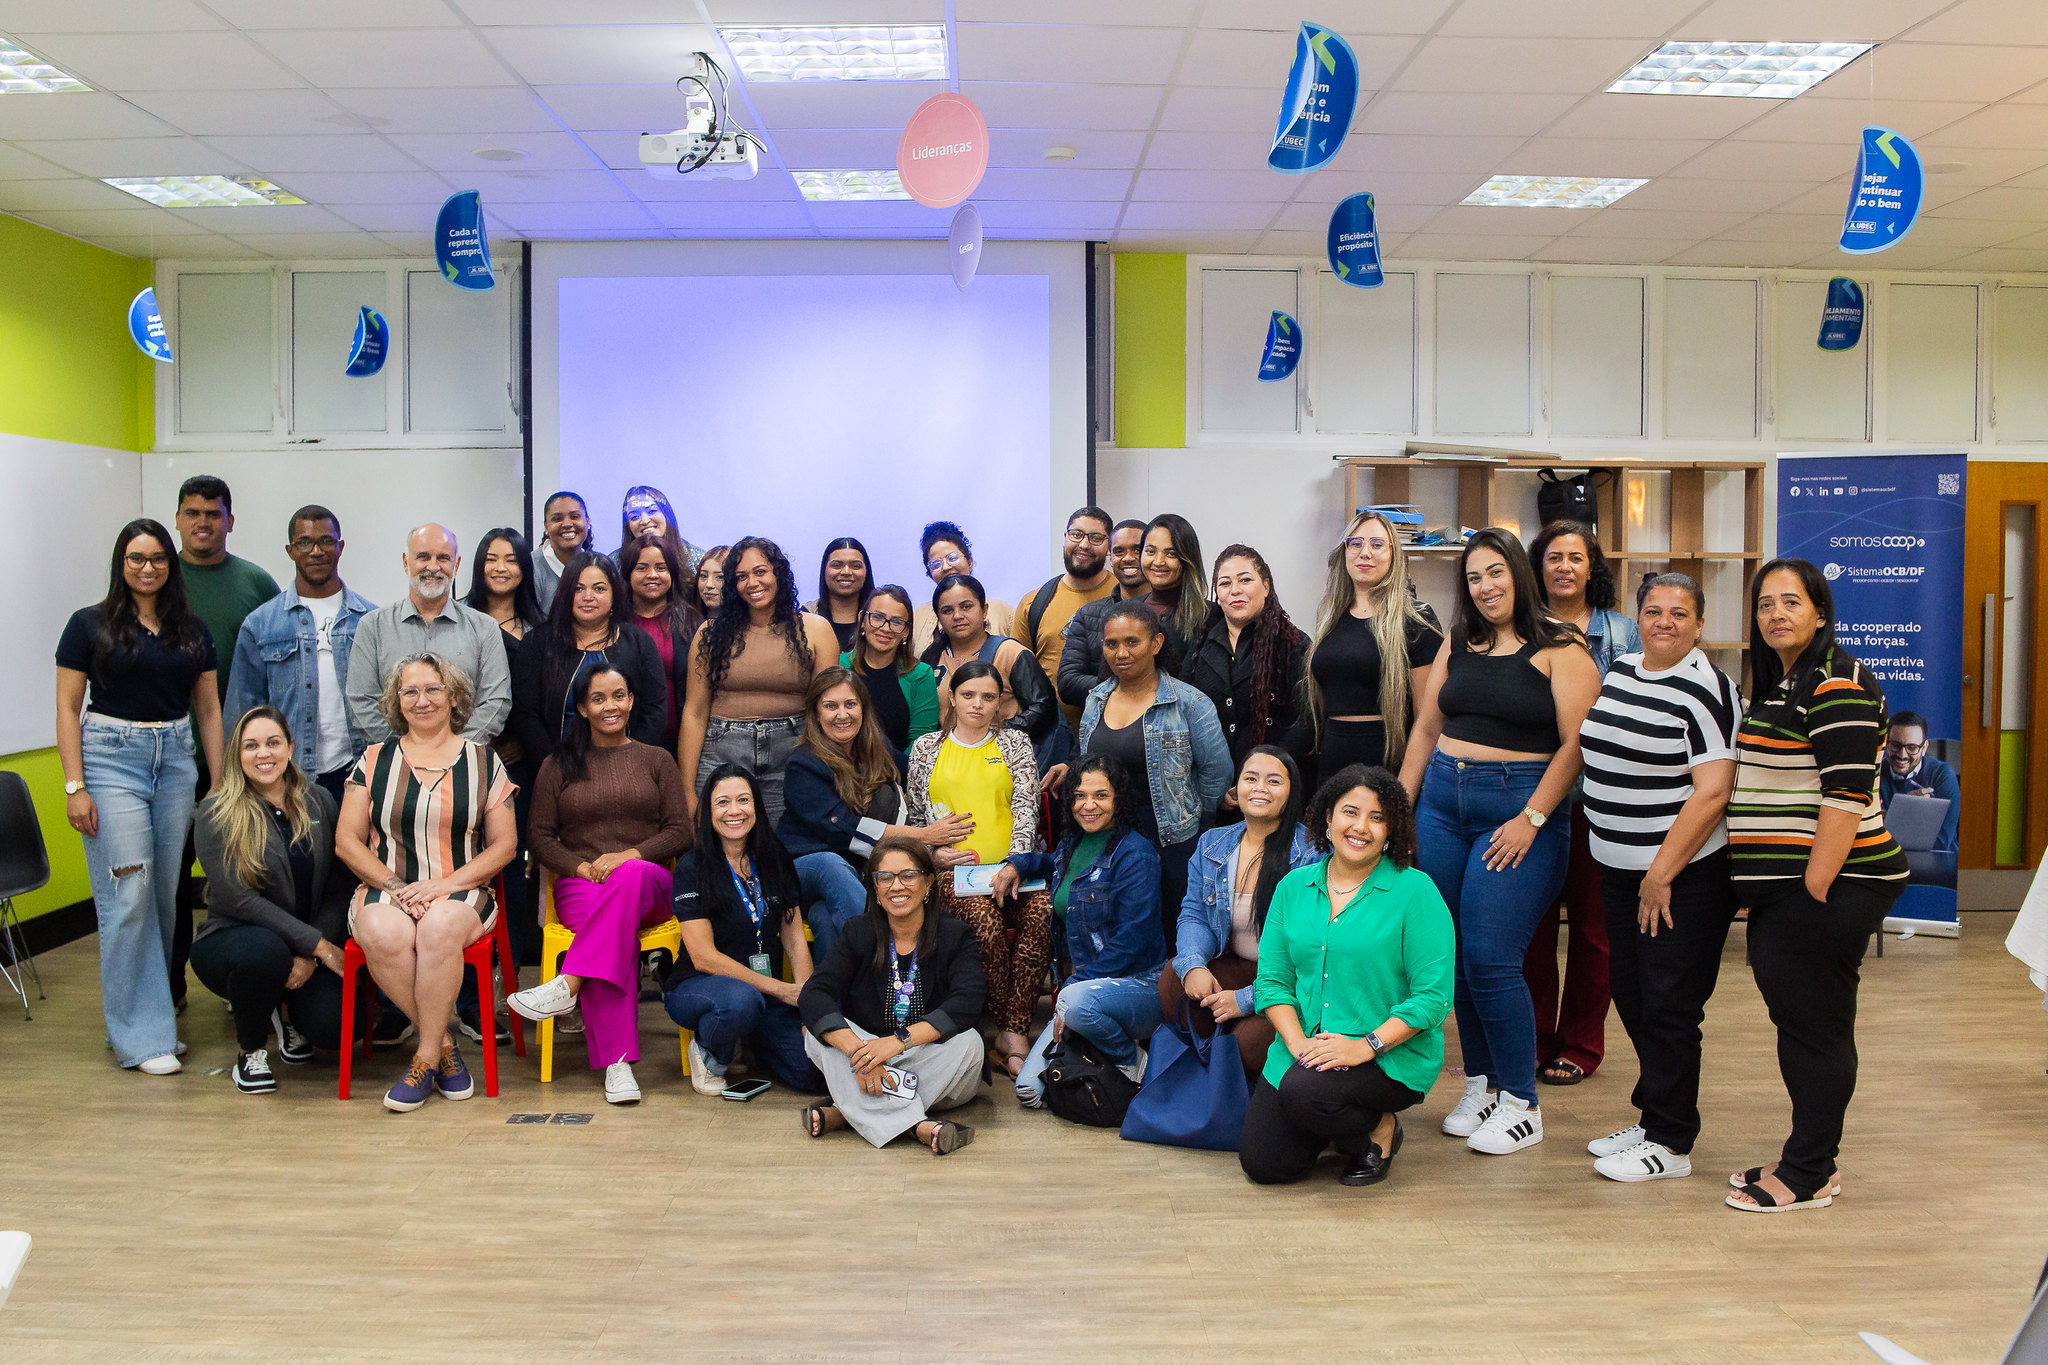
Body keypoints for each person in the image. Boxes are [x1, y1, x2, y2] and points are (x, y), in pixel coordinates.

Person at [1398, 528, 1601, 1157]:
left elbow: (1577, 745)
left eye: (1496, 572)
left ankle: (1521, 1102)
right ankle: (1482, 1084)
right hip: (1440, 806)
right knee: (1454, 954)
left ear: (1519, 573)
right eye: (1475, 577)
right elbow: (1427, 728)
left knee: (1491, 956)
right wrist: (1401, 812)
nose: (1487, 587)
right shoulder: (1459, 642)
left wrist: (1532, 817)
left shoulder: (1561, 649)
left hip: (1518, 811)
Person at [1725, 558, 1906, 1213]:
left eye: (1790, 602)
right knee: (1804, 1022)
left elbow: (1846, 796)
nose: (1775, 613)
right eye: (1765, 603)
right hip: (1793, 890)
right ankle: (1808, 1153)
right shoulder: (1788, 680)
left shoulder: (1837, 683)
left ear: (1820, 612)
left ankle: (1809, 1172)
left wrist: (1811, 891)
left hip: (1836, 883)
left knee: (1816, 1029)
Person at [1578, 573, 1742, 1183]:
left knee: (1671, 1005)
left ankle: (1671, 1142)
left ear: (1699, 625)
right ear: (1637, 618)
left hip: (1681, 877)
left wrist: (1660, 874)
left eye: (1679, 613)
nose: (1664, 622)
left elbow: (1712, 793)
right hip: (1619, 870)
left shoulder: (1708, 689)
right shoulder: (1622, 669)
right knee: (1633, 993)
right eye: (1653, 611)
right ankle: (1653, 1115)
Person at [55, 518, 224, 1075]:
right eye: (135, 558)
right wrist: (74, 785)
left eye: (156, 558)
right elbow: (66, 708)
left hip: (175, 760)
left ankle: (146, 1021)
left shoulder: (191, 630)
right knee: (128, 893)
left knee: (163, 897)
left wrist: (220, 784)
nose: (146, 568)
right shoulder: (88, 625)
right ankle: (143, 1037)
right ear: (120, 563)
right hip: (108, 758)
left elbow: (208, 711)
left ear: (170, 565)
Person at [1239, 767, 1455, 1188]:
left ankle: (1378, 1128)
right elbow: (1273, 982)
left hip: (1387, 1052)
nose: (1361, 827)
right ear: (1327, 818)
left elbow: (1433, 998)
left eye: (1377, 817)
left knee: (1304, 1091)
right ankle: (1332, 1124)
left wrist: (1364, 1047)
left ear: (1392, 828)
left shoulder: (1416, 892)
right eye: (1350, 813)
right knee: (1266, 1165)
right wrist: (1298, 1045)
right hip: (1306, 1049)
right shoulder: (1292, 887)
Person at [334, 653, 518, 1112]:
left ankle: (421, 1059)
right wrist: (397, 887)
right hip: (388, 885)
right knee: (381, 931)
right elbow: (346, 842)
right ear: (397, 702)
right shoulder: (373, 760)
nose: (422, 700)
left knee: (438, 929)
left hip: (463, 889)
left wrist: (443, 886)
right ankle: (444, 1047)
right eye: (410, 691)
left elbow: (504, 847)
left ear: (453, 697)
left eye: (433, 689)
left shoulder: (483, 762)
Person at [507, 666, 691, 1105]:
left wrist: (632, 855)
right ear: (583, 709)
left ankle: (568, 984)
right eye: (598, 699)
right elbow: (539, 835)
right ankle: (618, 1065)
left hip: (649, 881)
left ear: (631, 702)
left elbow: (681, 831)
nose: (610, 706)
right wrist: (580, 866)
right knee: (613, 931)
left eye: (619, 696)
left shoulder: (657, 759)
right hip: (581, 884)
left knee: (626, 884)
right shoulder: (558, 764)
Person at [1524, 519, 1644, 1087]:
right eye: (1554, 557)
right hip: (1533, 802)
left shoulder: (1623, 633)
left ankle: (1579, 1044)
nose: (1564, 567)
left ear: (1593, 567)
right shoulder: (1520, 629)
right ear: (1538, 566)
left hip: (1601, 803)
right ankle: (1533, 1038)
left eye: (1576, 557)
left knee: (1596, 935)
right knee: (1533, 929)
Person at [190, 707, 353, 1093]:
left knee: (338, 1028)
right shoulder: (215, 812)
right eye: (251, 746)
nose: (263, 754)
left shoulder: (319, 800)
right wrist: (318, 947)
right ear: (237, 754)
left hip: (308, 945)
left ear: (291, 747)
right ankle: (250, 1050)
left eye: (272, 743)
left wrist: (311, 954)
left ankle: (288, 1014)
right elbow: (238, 900)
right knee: (265, 953)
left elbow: (339, 886)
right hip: (236, 942)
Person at [798, 836, 987, 1154]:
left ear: (928, 883)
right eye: (885, 877)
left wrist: (896, 1043)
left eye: (908, 875)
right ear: (874, 888)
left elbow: (967, 1002)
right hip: (867, 1059)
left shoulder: (955, 934)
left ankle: (848, 1112)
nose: (896, 886)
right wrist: (862, 1055)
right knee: (814, 1033)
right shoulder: (858, 932)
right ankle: (917, 1126)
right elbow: (815, 993)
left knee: (970, 1045)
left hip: (928, 1056)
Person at [996, 755, 1165, 1107]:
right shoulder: (1074, 844)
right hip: (1084, 997)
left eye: (1101, 795)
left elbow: (1132, 941)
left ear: (1119, 799)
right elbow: (1051, 862)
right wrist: (1019, 862)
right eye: (1079, 795)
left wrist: (1073, 989)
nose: (1088, 805)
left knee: (1074, 1006)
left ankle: (1133, 1062)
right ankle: (1090, 1039)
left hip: (1137, 986)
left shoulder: (1136, 855)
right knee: (1028, 1092)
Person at [907, 662, 1050, 1077]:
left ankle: (1012, 1030)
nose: (978, 704)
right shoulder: (926, 748)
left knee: (1041, 916)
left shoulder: (1016, 744)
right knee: (984, 925)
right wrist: (932, 857)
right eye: (968, 694)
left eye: (989, 697)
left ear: (999, 703)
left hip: (1014, 869)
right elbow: (918, 821)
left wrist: (1015, 862)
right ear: (951, 697)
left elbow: (1026, 809)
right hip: (952, 876)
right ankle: (1012, 1029)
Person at [171, 475, 279, 1013]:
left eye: (213, 514)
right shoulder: (161, 580)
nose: (202, 522)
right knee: (171, 881)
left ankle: (251, 984)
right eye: (192, 513)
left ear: (229, 520)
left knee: (243, 875)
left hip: (243, 762)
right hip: (168, 758)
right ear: (178, 519)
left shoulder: (255, 583)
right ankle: (169, 992)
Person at [660, 765, 825, 1097]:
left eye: (743, 800)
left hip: (766, 994)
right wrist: (781, 990)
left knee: (814, 1074)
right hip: (701, 987)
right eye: (722, 802)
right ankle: (710, 1053)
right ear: (708, 811)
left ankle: (753, 1040)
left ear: (757, 807)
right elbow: (704, 958)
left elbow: (794, 939)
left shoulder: (775, 858)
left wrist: (805, 1001)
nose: (734, 811)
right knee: (741, 1002)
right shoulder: (692, 867)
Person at [1077, 601, 1232, 948]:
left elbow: (1217, 773)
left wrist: (1191, 815)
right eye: (1111, 644)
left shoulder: (1190, 703)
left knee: (1170, 938)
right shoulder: (1095, 700)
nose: (1121, 653)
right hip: (1110, 839)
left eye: (1132, 642)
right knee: (1118, 939)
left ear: (1156, 644)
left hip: (1174, 840)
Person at [778, 668, 959, 958]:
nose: (842, 714)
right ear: (815, 713)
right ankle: (889, 959)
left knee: (825, 920)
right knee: (830, 864)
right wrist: (924, 836)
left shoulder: (878, 748)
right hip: (803, 868)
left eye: (850, 704)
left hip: (856, 874)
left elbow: (921, 774)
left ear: (863, 707)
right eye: (830, 706)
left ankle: (835, 998)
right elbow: (843, 829)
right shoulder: (803, 764)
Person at [1162, 746, 1316, 1081]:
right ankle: (1211, 1084)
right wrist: (1194, 965)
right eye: (1251, 778)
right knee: (1174, 978)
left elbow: (1310, 953)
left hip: (1289, 982)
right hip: (1237, 965)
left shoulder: (1311, 854)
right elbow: (1193, 914)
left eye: (1274, 781)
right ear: (1236, 789)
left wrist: (1245, 1000)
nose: (1260, 788)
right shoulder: (1213, 844)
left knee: (1249, 1043)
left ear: (1291, 793)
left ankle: (1245, 1088)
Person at [677, 536, 844, 826]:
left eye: (760, 572)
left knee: (782, 851)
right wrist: (687, 789)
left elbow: (825, 711)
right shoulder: (709, 634)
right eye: (741, 577)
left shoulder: (817, 630)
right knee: (716, 850)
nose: (751, 582)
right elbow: (694, 713)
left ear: (778, 573)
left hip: (792, 753)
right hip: (721, 752)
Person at [226, 505, 376, 806]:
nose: (316, 551)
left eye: (326, 541)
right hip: (286, 779)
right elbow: (242, 712)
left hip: (361, 774)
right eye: (305, 542)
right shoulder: (261, 624)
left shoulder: (371, 620)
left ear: (340, 547)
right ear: (290, 550)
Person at [1301, 509, 1443, 785]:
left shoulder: (1416, 620)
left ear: (1394, 555)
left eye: (1377, 544)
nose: (1364, 552)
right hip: (1330, 765)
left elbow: (1428, 722)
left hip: (1387, 765)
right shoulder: (1331, 618)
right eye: (1355, 543)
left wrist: (1405, 790)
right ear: (1344, 553)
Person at [347, 523, 512, 747]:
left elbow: (496, 702)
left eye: (443, 558)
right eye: (423, 557)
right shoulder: (372, 626)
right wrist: (405, 753)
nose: (433, 567)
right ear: (406, 562)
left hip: (464, 766)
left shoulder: (485, 628)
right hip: (392, 767)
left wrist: (453, 751)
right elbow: (361, 701)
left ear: (456, 564)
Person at [464, 527, 546, 971]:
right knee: (462, 864)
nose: (501, 568)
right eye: (491, 558)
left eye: (511, 559)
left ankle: (508, 970)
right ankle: (465, 974)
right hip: (463, 763)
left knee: (510, 866)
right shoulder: (458, 620)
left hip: (521, 767)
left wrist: (522, 744)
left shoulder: (541, 626)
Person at [509, 551, 666, 768]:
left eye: (599, 589)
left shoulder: (638, 642)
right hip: (556, 771)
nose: (588, 597)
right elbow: (526, 715)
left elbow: (654, 711)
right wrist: (555, 768)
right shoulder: (538, 642)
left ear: (614, 595)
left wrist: (631, 764)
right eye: (578, 589)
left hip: (629, 771)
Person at [1183, 544, 1310, 781]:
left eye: (1245, 580)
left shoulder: (1293, 643)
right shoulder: (1200, 646)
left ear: (1266, 586)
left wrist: (1265, 775)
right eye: (1224, 583)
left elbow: (1306, 721)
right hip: (1213, 788)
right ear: (1217, 595)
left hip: (1274, 784)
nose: (1235, 590)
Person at [921, 574, 1058, 752]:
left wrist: (996, 733)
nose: (957, 616)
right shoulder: (931, 658)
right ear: (938, 617)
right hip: (949, 762)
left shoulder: (1009, 651)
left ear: (984, 609)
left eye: (966, 607)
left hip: (1005, 758)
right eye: (947, 610)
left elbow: (1044, 707)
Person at [1014, 506, 1117, 727]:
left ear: (1109, 546)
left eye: (1096, 538)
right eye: (1076, 535)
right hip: (1048, 734)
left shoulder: (1123, 597)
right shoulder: (1034, 603)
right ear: (1065, 537)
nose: (1084, 545)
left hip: (1111, 732)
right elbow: (1017, 676)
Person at [1056, 517, 1148, 711]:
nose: (1128, 558)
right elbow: (1068, 682)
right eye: (1119, 551)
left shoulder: (1172, 612)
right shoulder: (1088, 614)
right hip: (1105, 730)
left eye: (1138, 550)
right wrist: (1127, 687)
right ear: (1110, 556)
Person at [622, 532, 701, 752]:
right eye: (642, 568)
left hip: (682, 742)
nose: (652, 575)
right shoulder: (613, 622)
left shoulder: (693, 622)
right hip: (625, 742)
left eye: (661, 567)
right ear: (628, 573)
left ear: (672, 574)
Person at [838, 584, 939, 752]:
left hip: (897, 772)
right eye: (877, 617)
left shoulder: (921, 675)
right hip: (838, 770)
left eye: (897, 622)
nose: (885, 628)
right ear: (862, 620)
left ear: (906, 631)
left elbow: (921, 742)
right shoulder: (838, 664)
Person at [910, 521, 1014, 654]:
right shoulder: (917, 617)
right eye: (936, 564)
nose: (946, 567)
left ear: (969, 562)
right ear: (930, 574)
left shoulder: (1004, 613)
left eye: (952, 558)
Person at [1879, 711, 1961, 853]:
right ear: (1887, 743)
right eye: (1895, 745)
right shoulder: (1876, 773)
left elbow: (1942, 840)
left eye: (1912, 748)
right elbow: (1871, 835)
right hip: (1887, 860)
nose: (1902, 755)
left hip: (1937, 861)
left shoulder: (1942, 775)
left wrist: (1895, 815)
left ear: (1924, 748)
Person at [806, 537, 876, 655]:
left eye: (855, 566)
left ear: (866, 572)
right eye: (837, 565)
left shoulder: (881, 621)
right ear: (824, 570)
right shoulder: (805, 619)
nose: (846, 572)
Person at [617, 484, 704, 576]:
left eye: (652, 511)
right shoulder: (615, 563)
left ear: (666, 515)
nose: (644, 521)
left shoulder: (698, 561)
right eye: (634, 516)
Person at [533, 491, 595, 614]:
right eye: (557, 519)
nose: (567, 524)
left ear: (587, 523)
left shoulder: (597, 566)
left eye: (575, 517)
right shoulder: (531, 568)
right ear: (546, 527)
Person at [694, 544, 730, 614]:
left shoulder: (749, 623)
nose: (708, 585)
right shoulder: (685, 619)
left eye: (719, 577)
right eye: (703, 576)